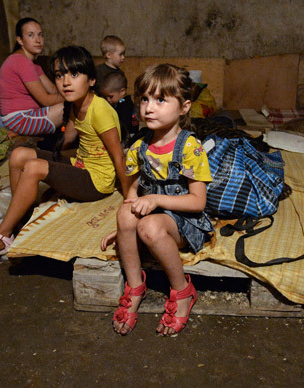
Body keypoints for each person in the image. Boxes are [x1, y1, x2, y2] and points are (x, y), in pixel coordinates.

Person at [0, 46, 128, 264]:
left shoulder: (101, 111)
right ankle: (18, 221)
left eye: (74, 74)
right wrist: (56, 150)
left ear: (91, 81)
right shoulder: (74, 105)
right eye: (60, 75)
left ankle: (2, 234)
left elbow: (119, 157)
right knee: (19, 154)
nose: (66, 82)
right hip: (82, 164)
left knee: (34, 166)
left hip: (98, 181)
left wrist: (130, 200)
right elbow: (68, 138)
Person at [100, 64, 213, 336]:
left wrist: (154, 199)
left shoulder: (190, 148)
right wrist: (123, 230)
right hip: (154, 215)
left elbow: (198, 202)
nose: (149, 108)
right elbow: (131, 194)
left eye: (161, 100)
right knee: (127, 216)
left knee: (148, 227)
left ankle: (182, 291)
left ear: (184, 107)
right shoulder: (139, 147)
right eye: (145, 99)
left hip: (185, 222)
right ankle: (135, 286)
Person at [0, 18, 65, 137]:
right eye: (31, 35)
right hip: (19, 119)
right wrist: (76, 94)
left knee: (78, 101)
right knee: (74, 105)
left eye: (40, 35)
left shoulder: (33, 64)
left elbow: (53, 90)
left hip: (27, 114)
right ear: (20, 40)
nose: (38, 40)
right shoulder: (21, 61)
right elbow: (45, 100)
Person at [98, 71, 138, 144]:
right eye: (105, 97)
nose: (108, 100)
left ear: (122, 92)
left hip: (126, 137)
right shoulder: (126, 101)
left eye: (111, 96)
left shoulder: (122, 104)